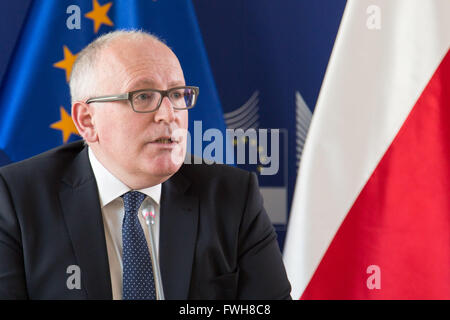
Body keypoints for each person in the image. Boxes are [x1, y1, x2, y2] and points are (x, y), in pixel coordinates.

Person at [0, 30, 291, 300]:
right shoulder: (16, 200)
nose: (169, 114)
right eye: (142, 96)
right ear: (87, 121)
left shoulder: (233, 196)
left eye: (177, 95)